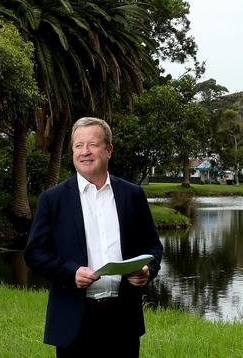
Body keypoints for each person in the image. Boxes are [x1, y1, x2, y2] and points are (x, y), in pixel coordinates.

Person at [25, 117, 163, 357]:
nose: (85, 152)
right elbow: (35, 254)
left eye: (93, 145)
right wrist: (71, 272)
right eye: (78, 146)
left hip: (123, 319)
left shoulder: (132, 195)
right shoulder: (53, 199)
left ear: (108, 150)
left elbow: (152, 246)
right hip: (74, 319)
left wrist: (147, 270)